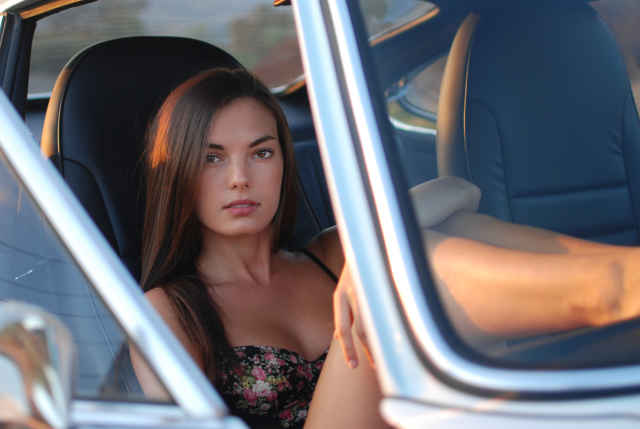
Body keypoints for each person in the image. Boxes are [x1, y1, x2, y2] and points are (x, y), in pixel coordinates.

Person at [130, 67, 391, 429]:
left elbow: (454, 191)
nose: (240, 179)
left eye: (262, 153)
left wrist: (363, 268)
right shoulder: (167, 309)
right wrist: (373, 274)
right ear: (178, 173)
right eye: (212, 158)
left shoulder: (332, 257)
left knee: (422, 250)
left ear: (284, 162)